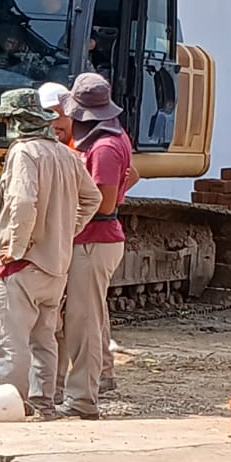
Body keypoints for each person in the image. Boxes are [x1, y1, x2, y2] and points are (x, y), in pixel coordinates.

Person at [0, 87, 102, 416]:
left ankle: (8, 406)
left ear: (18, 121)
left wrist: (16, 247)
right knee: (44, 339)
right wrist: (67, 231)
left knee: (9, 340)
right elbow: (92, 198)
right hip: (56, 265)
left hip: (25, 264)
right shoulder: (66, 154)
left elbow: (22, 203)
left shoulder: (24, 153)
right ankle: (43, 404)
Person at [57, 72, 133, 419]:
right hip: (96, 240)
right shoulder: (111, 137)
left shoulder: (103, 148)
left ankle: (82, 400)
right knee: (91, 316)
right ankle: (94, 381)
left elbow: (102, 204)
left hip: (94, 241)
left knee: (82, 322)